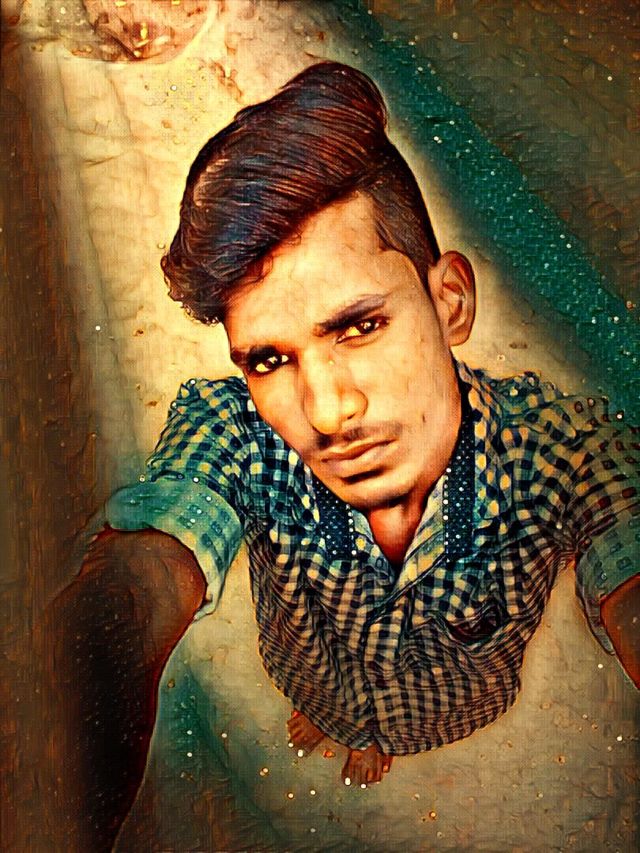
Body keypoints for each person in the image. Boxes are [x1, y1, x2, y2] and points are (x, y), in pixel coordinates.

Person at [41, 62, 639, 850]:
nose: (327, 413)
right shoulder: (236, 429)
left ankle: (373, 734)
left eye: (358, 327)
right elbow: (139, 580)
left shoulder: (562, 448)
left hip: (449, 711)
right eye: (269, 359)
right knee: (326, 707)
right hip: (314, 683)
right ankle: (348, 723)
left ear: (450, 302)